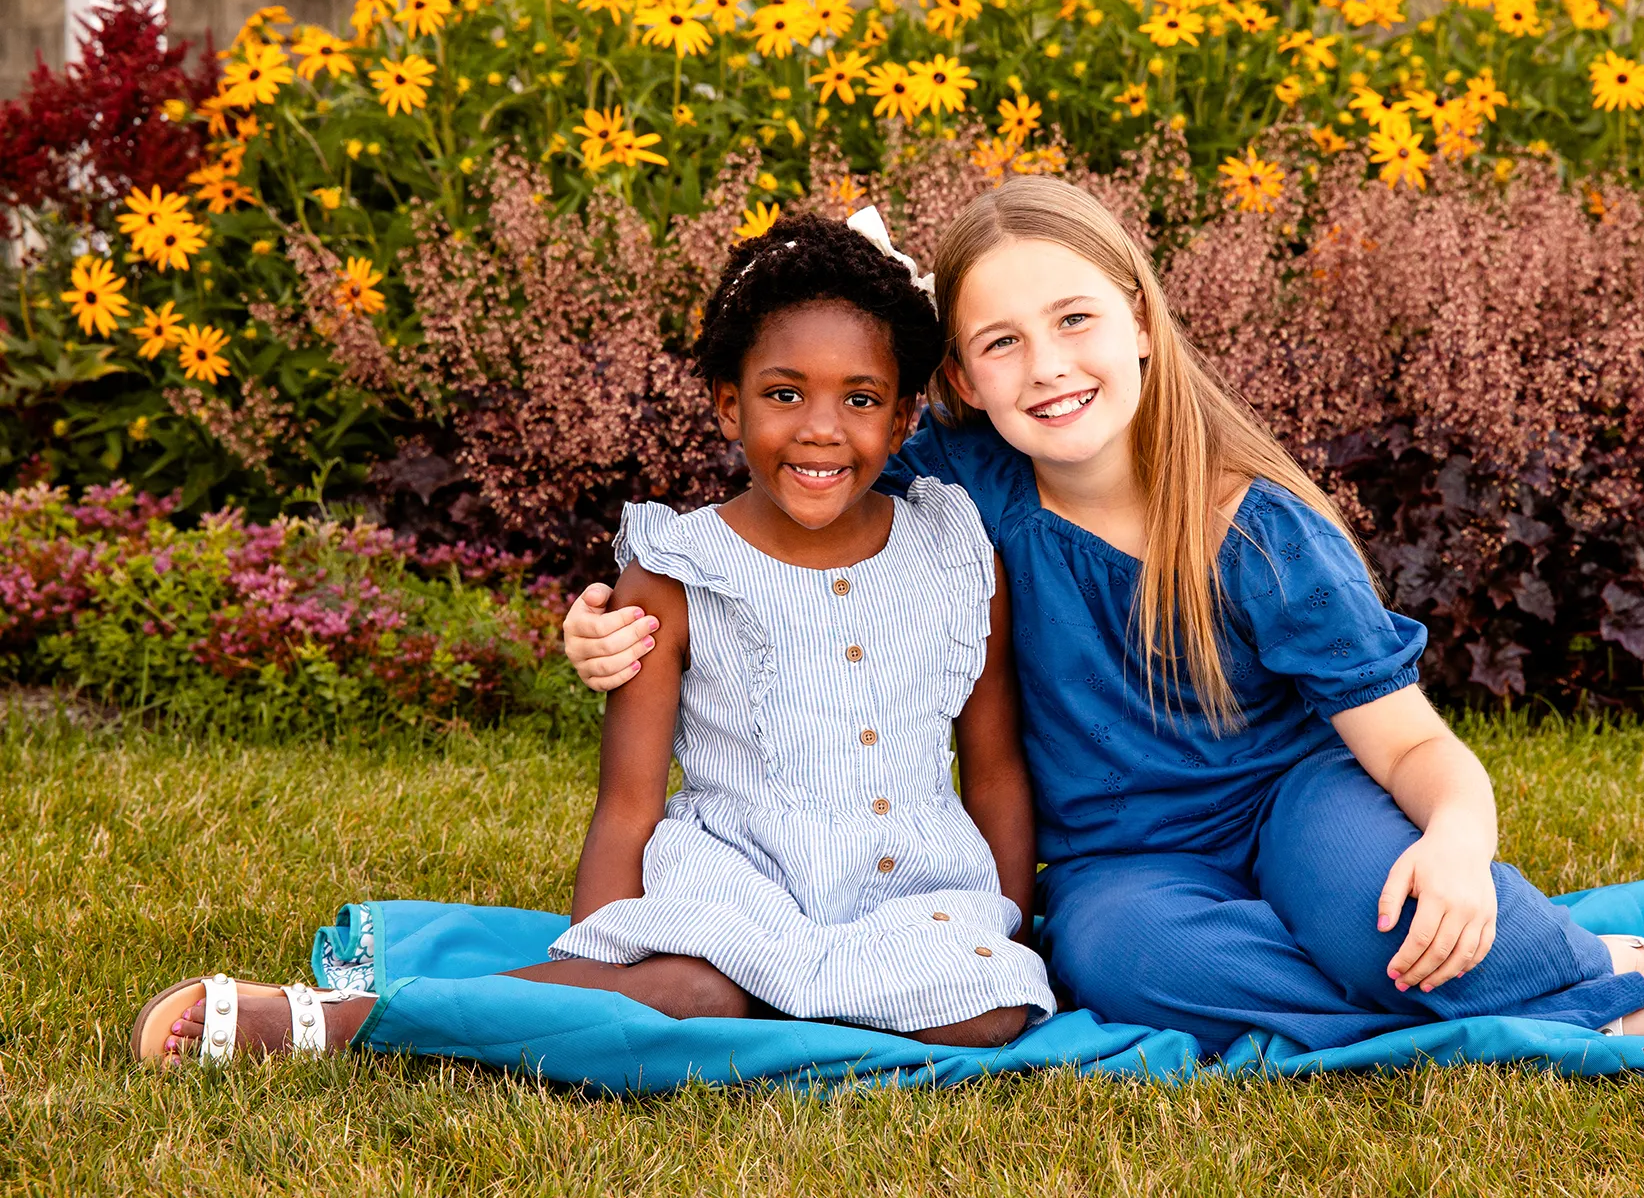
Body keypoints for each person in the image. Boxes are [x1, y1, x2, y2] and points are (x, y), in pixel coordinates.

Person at [561, 177, 1644, 1053]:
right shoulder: (968, 481)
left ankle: (1620, 983)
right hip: (1128, 859)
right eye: (999, 343)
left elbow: (1409, 747)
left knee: (1382, 915)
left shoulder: (1254, 529)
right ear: (956, 380)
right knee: (1121, 965)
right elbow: (802, 446)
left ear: (1142, 325)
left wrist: (1455, 838)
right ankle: (1557, 998)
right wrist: (608, 623)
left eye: (1074, 320)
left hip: (1295, 801)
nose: (1047, 365)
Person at [132, 210, 1055, 1067]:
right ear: (729, 406)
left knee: (985, 1011)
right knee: (686, 989)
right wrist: (604, 970)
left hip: (906, 897)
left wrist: (999, 927)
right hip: (740, 884)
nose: (821, 428)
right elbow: (628, 800)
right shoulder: (675, 570)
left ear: (902, 419)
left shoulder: (955, 552)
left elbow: (995, 767)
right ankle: (339, 1021)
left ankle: (777, 1002)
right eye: (783, 393)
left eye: (860, 400)